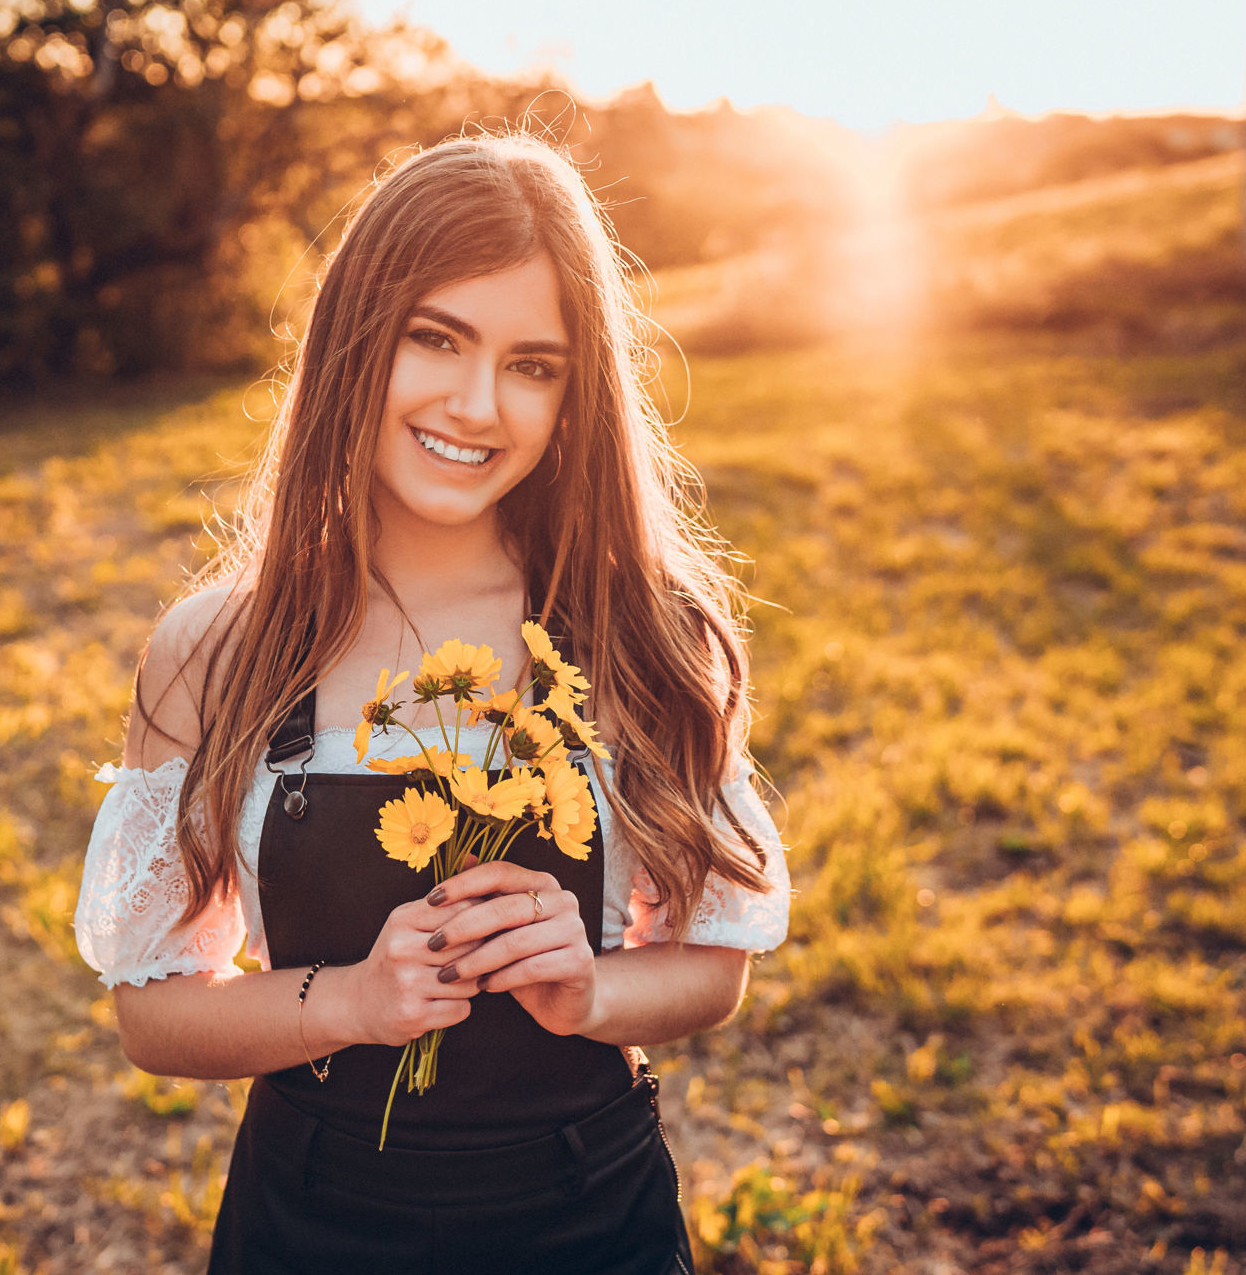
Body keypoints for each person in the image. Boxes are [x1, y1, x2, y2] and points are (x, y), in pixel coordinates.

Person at [72, 131, 792, 1275]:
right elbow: (155, 1015)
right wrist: (353, 1000)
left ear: (577, 392)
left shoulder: (647, 634)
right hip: (309, 1220)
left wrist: (588, 986)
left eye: (533, 363)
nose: (478, 403)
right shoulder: (215, 649)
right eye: (436, 338)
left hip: (588, 1213)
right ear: (356, 338)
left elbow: (716, 965)